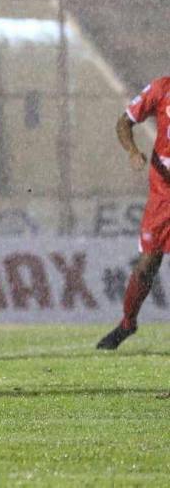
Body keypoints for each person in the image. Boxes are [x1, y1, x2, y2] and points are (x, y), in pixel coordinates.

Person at [96, 75, 170, 350]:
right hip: (164, 195)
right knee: (147, 264)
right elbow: (123, 122)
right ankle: (128, 323)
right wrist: (132, 151)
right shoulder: (162, 88)